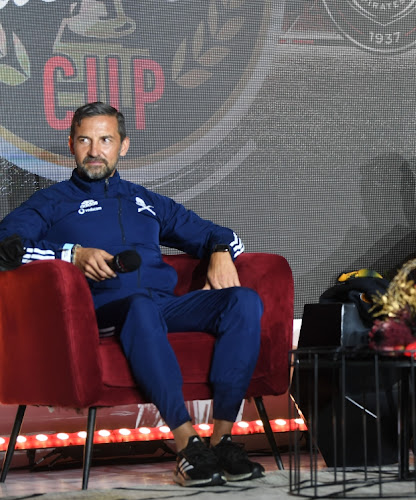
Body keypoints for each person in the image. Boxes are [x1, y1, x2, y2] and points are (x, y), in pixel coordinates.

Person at [0, 102, 265, 487]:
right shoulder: (51, 202)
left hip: (165, 306)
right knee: (140, 308)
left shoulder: (146, 200)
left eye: (105, 139)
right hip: (103, 312)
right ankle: (188, 445)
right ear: (71, 145)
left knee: (243, 301)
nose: (95, 150)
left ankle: (223, 440)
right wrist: (71, 254)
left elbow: (216, 233)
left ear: (123, 146)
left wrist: (221, 252)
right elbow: (5, 246)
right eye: (85, 140)